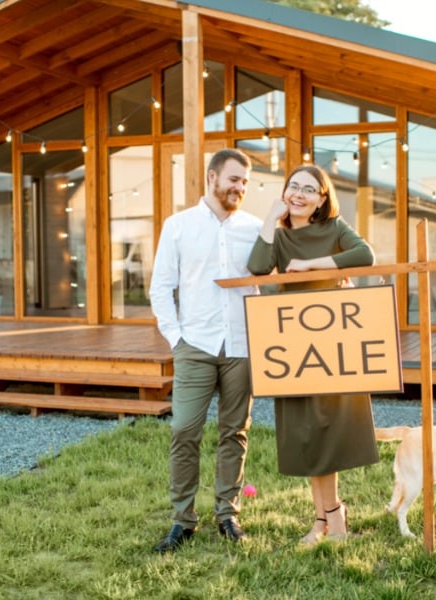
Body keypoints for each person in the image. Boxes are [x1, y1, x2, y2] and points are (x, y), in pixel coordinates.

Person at [246, 163, 379, 545]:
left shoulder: (333, 229)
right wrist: (271, 217)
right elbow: (257, 266)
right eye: (293, 187)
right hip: (293, 345)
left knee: (329, 429)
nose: (299, 194)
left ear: (322, 199)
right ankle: (325, 520)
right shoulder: (279, 234)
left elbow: (364, 255)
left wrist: (311, 264)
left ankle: (332, 518)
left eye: (308, 189)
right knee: (306, 432)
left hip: (332, 343)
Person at [149, 148, 263, 553]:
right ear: (212, 177)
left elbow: (272, 278)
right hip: (194, 344)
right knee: (184, 430)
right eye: (234, 179)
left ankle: (227, 513)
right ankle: (183, 519)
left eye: (246, 182)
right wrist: (175, 337)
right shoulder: (178, 226)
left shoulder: (255, 228)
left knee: (235, 432)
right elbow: (161, 286)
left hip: (241, 345)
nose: (240, 188)